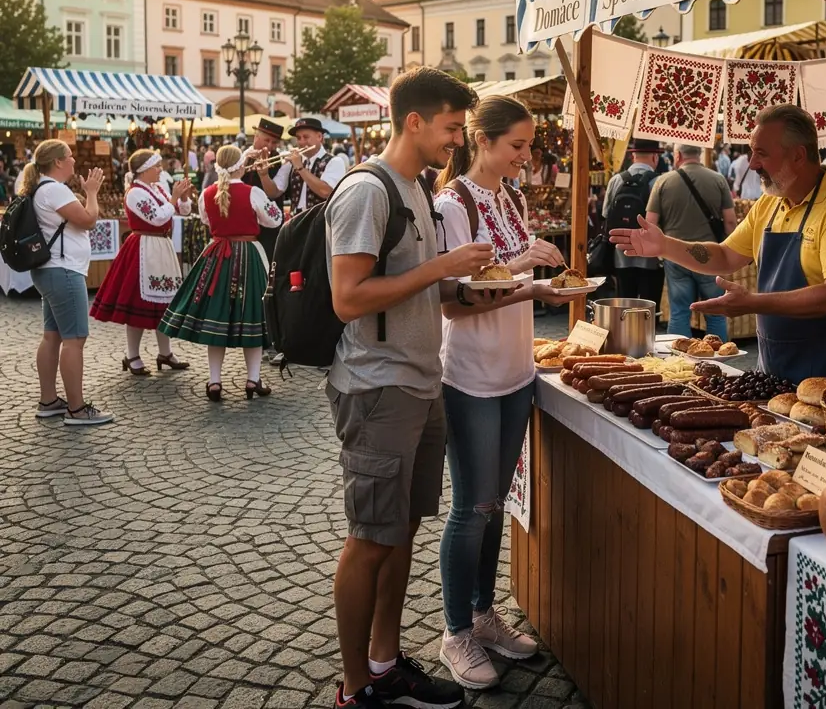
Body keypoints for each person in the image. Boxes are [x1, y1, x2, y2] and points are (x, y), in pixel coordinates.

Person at [325, 66, 501, 709]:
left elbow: (422, 288)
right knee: (370, 537)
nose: (458, 140)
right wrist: (442, 266)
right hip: (378, 386)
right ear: (415, 121)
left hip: (421, 382)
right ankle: (355, 688)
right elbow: (349, 298)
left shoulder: (417, 188)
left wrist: (482, 286)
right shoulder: (368, 191)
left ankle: (384, 660)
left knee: (399, 531)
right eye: (453, 128)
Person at [432, 96, 572, 690]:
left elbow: (507, 285)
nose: (527, 155)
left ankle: (484, 613)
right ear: (481, 141)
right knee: (472, 508)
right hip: (470, 373)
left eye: (530, 144)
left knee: (496, 506)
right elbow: (456, 302)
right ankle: (455, 632)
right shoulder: (451, 204)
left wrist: (542, 287)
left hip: (516, 370)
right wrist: (525, 272)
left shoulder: (510, 197)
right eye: (517, 145)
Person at [612, 105, 826, 387]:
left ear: (799, 155)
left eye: (761, 153)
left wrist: (752, 303)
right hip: (777, 363)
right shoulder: (771, 202)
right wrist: (664, 246)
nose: (752, 164)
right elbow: (726, 256)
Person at [158, 144, 282, 401]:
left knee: (217, 319)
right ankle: (253, 379)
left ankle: (215, 382)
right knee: (253, 317)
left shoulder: (207, 193)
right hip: (248, 255)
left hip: (216, 257)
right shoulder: (252, 192)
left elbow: (206, 220)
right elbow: (276, 218)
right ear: (240, 166)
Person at [20, 140, 112, 425]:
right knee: (74, 340)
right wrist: (92, 193)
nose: (74, 161)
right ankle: (76, 408)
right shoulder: (55, 189)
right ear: (58, 162)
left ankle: (49, 400)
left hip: (50, 270)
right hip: (64, 271)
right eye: (70, 157)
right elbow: (87, 220)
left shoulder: (40, 189)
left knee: (52, 336)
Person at [90, 148, 194, 375]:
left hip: (161, 248)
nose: (160, 170)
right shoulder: (135, 193)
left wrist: (182, 197)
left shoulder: (156, 188)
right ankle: (132, 355)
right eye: (157, 166)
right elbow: (157, 217)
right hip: (144, 249)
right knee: (138, 303)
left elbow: (182, 211)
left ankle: (165, 352)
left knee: (165, 303)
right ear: (144, 170)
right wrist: (174, 198)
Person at [646, 144, 736, 340]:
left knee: (679, 312)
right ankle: (719, 362)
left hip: (675, 256)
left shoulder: (663, 181)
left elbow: (650, 223)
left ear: (678, 155)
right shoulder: (718, 179)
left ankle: (680, 363)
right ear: (700, 154)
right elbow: (730, 221)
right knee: (716, 314)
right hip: (710, 256)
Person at [602, 139, 664, 307]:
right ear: (654, 157)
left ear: (633, 155)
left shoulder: (616, 180)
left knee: (624, 302)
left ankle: (624, 332)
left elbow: (606, 213)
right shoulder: (659, 182)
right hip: (650, 256)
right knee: (649, 305)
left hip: (621, 252)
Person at [264, 117, 347, 214]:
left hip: (322, 222)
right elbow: (273, 193)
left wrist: (300, 168)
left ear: (319, 137)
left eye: (306, 137)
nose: (301, 142)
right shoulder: (292, 161)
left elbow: (326, 192)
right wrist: (264, 175)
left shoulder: (335, 161)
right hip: (296, 220)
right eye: (298, 138)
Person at [241, 118, 288, 263]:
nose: (269, 146)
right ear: (256, 136)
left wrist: (264, 175)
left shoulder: (281, 160)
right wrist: (245, 163)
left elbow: (275, 192)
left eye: (274, 142)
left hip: (270, 224)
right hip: (246, 220)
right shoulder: (241, 157)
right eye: (266, 140)